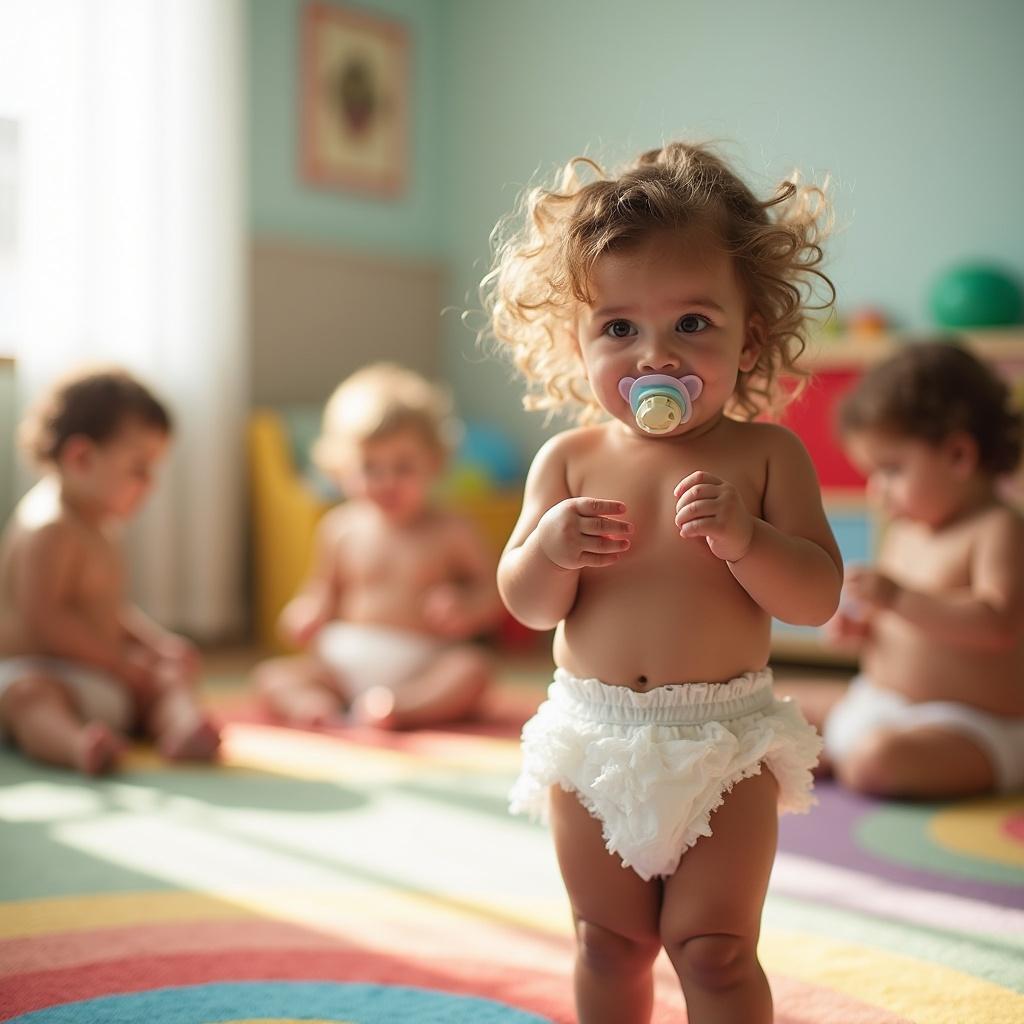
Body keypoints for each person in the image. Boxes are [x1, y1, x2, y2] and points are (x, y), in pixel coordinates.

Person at [486, 141, 842, 1024]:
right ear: (578, 338)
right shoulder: (568, 459)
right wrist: (550, 552)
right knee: (605, 944)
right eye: (619, 328)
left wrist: (746, 539)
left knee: (716, 954)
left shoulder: (766, 456)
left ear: (748, 333)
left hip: (722, 742)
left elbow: (816, 596)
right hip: (595, 737)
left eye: (692, 323)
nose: (656, 354)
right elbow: (527, 605)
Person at [800, 340, 1024, 798]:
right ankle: (831, 744)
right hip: (877, 700)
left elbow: (998, 623)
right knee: (766, 705)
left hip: (970, 725)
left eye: (892, 470)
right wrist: (862, 625)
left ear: (958, 456)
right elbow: (903, 624)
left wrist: (898, 598)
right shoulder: (907, 530)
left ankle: (842, 752)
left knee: (877, 761)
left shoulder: (996, 527)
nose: (877, 491)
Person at [253, 363, 502, 730]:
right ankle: (316, 705)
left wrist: (467, 607)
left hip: (423, 661)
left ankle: (402, 708)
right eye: (370, 468)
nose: (386, 482)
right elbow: (322, 590)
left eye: (403, 467)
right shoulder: (339, 528)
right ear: (340, 467)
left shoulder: (452, 530)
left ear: (434, 463)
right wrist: (306, 613)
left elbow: (495, 591)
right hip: (343, 661)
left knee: (472, 671)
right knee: (271, 676)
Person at [0, 367, 221, 775]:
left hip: (97, 676)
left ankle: (183, 728)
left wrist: (154, 644)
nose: (150, 484)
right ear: (81, 457)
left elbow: (105, 610)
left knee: (168, 672)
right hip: (45, 673)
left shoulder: (99, 524)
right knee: (29, 698)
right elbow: (46, 619)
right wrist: (117, 666)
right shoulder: (47, 527)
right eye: (139, 469)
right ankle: (76, 746)